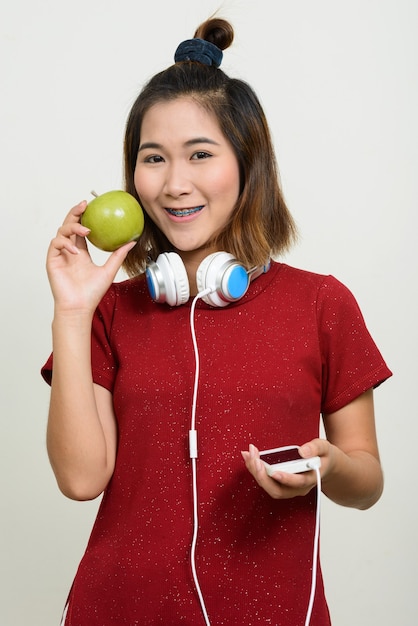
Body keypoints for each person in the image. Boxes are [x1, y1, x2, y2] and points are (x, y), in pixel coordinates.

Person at [41, 16, 392, 626]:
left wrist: (329, 467)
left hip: (276, 610)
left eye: (201, 154)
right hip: (120, 608)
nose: (175, 184)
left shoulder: (323, 304)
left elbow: (366, 480)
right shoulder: (111, 313)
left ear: (247, 164)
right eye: (154, 158)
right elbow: (80, 478)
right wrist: (72, 312)